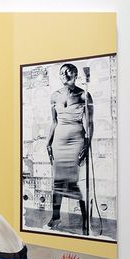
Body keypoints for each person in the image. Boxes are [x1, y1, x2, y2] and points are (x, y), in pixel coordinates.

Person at [46, 63, 94, 232]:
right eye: (61, 72)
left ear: (75, 74)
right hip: (59, 140)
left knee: (76, 181)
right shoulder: (54, 96)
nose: (65, 74)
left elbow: (89, 123)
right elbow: (54, 122)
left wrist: (87, 144)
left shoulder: (84, 95)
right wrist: (48, 142)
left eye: (68, 72)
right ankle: (56, 217)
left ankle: (85, 222)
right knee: (58, 180)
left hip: (76, 139)